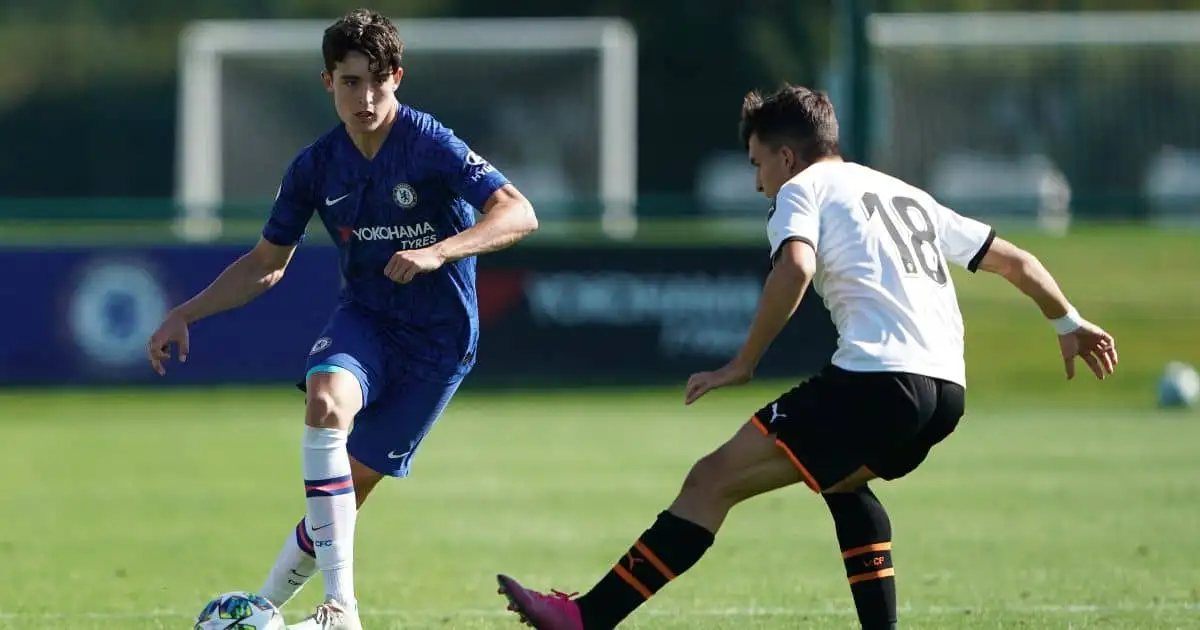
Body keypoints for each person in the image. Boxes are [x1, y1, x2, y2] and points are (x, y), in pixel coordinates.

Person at [495, 84, 1116, 630]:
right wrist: (1068, 320)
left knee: (710, 481)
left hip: (877, 379)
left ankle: (585, 619)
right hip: (945, 392)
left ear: (786, 155)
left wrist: (742, 363)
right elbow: (1018, 261)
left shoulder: (802, 190)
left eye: (757, 163)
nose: (758, 180)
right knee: (842, 483)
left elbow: (795, 265)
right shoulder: (904, 193)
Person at [147, 9, 538, 630]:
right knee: (326, 401)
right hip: (367, 323)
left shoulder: (429, 142)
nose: (366, 97)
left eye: (377, 81)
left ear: (397, 78)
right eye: (351, 82)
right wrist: (186, 312)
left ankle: (267, 607)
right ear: (327, 82)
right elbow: (266, 265)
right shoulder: (314, 167)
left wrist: (440, 250)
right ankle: (342, 610)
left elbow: (519, 213)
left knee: (344, 500)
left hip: (439, 341)